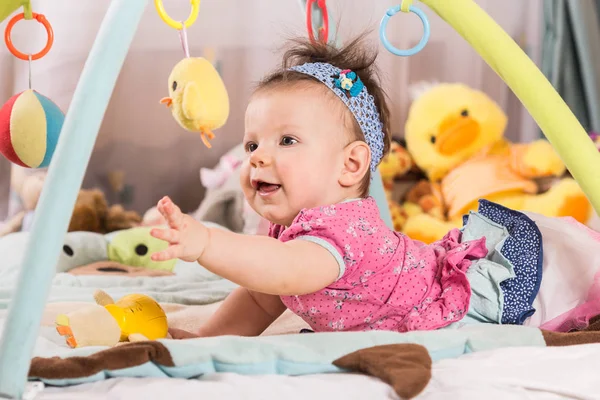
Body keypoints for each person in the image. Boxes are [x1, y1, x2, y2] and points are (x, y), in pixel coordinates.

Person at [150, 34, 600, 338]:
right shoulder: (292, 235)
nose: (257, 157)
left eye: (286, 140)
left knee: (580, 279)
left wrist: (206, 241)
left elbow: (280, 270)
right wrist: (203, 340)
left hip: (471, 301)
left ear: (350, 165)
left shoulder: (341, 237)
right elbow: (263, 296)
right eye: (251, 143)